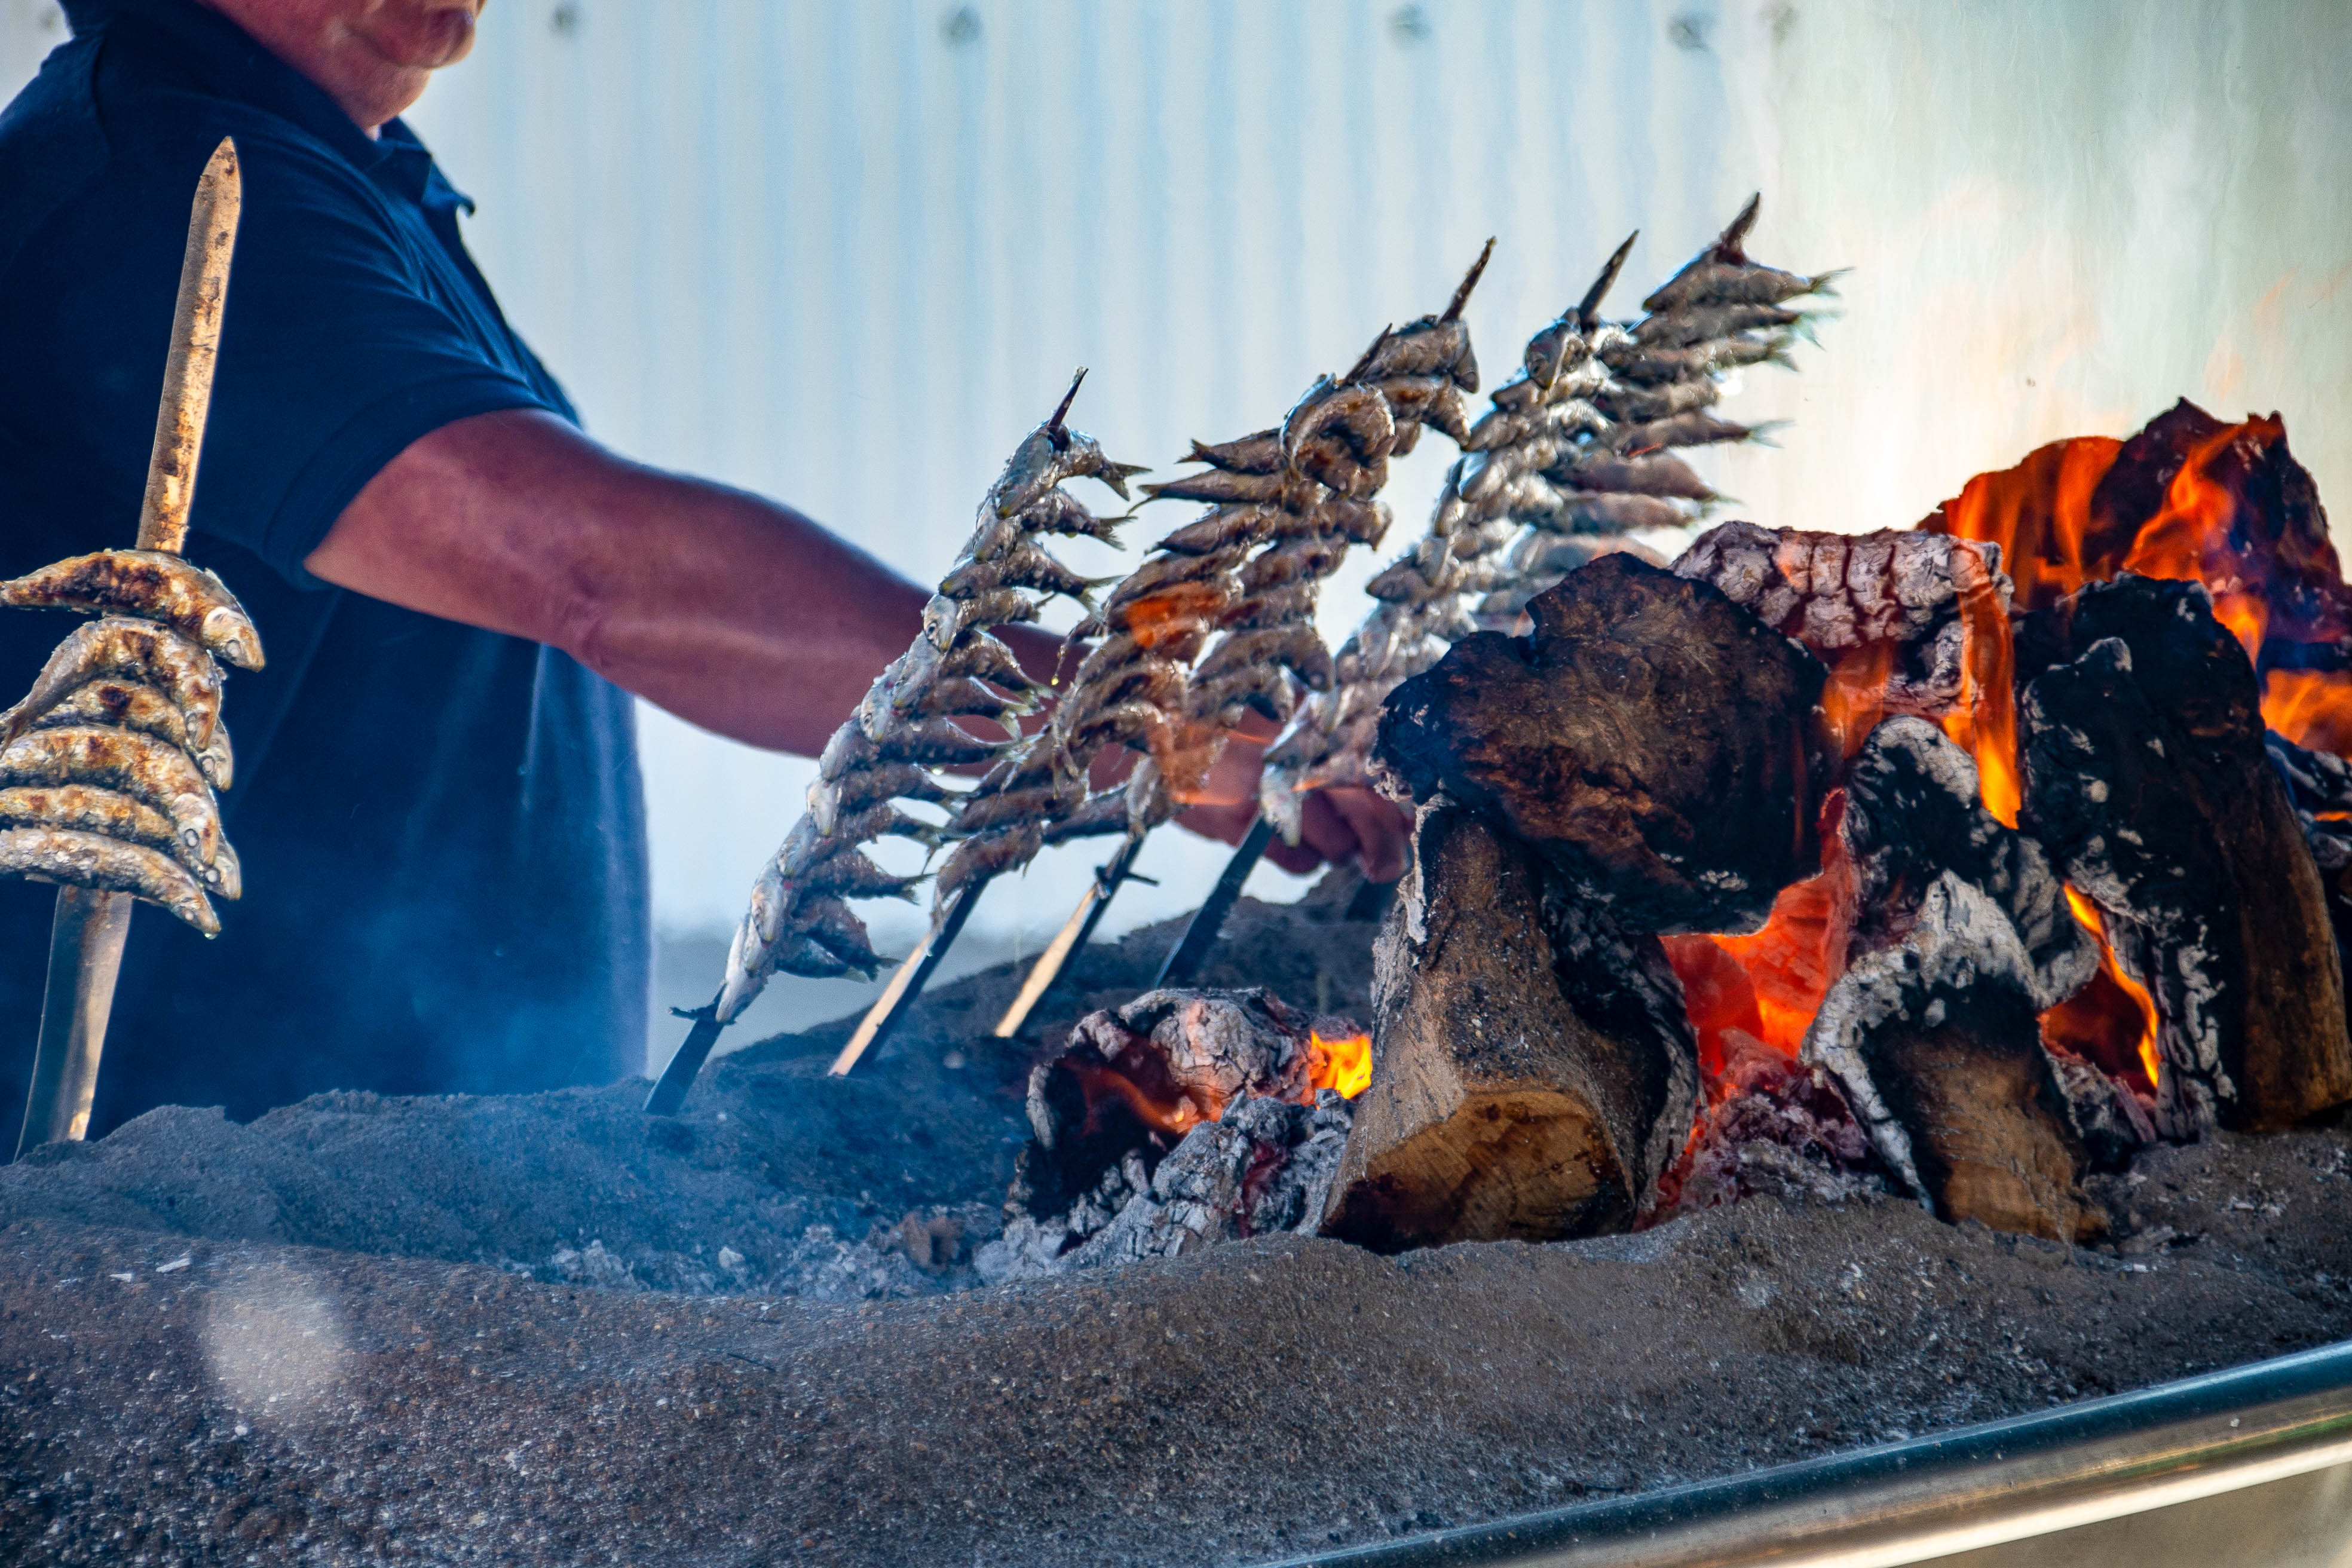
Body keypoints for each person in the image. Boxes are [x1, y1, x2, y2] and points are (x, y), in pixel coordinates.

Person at [0, 0, 1407, 1138]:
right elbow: (588, 570)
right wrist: (1129, 724)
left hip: (418, 1180)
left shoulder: (336, 173)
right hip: (220, 1242)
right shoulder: (166, 182)